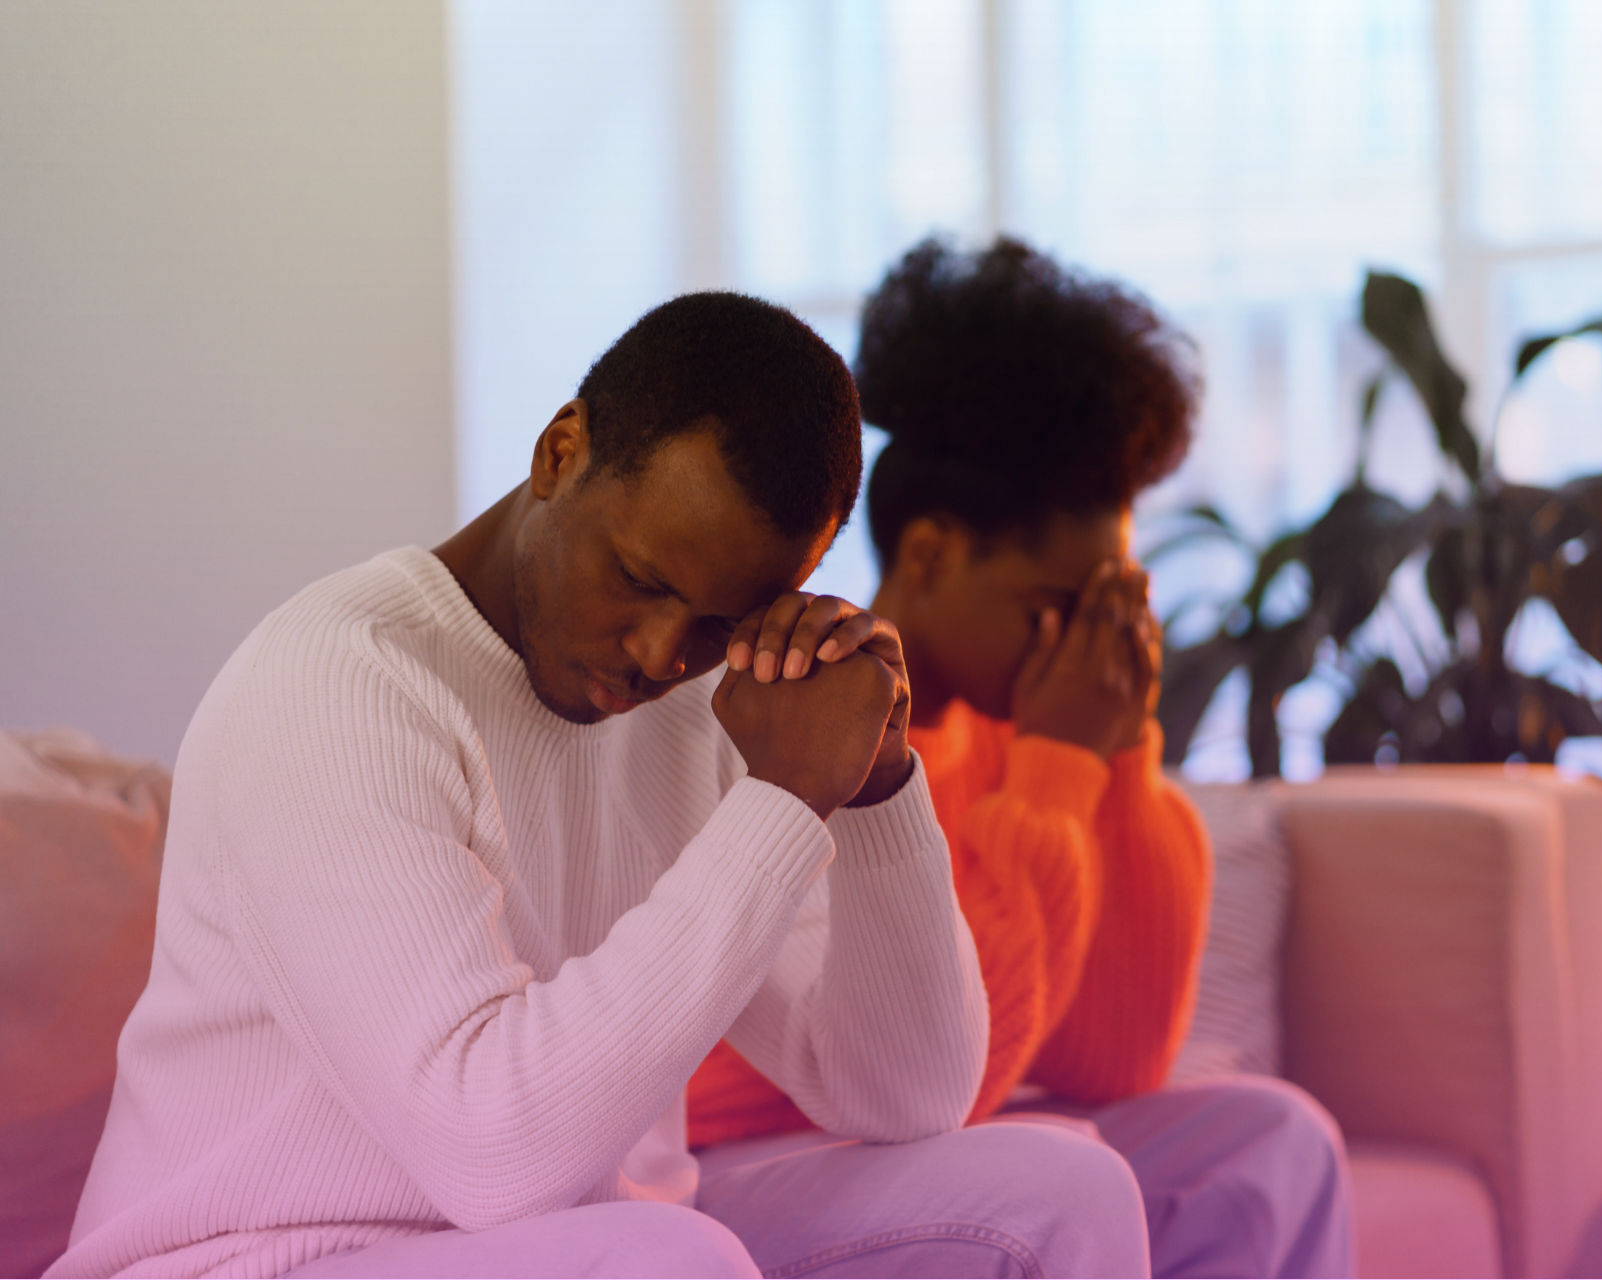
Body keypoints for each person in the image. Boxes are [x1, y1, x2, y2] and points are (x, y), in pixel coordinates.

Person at [50, 293, 1152, 1279]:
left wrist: (875, 784)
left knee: (1060, 1189)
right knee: (663, 1257)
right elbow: (492, 1153)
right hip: (263, 1253)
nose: (663, 652)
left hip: (597, 1241)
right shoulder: (340, 683)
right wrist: (777, 804)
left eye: (719, 620)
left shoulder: (703, 702)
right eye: (638, 576)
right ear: (559, 452)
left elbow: (908, 1092)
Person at [687, 241, 1356, 1279]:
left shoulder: (1035, 736)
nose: (1081, 645)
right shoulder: (790, 714)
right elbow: (948, 1079)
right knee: (1057, 1169)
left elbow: (1115, 1057)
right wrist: (1057, 767)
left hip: (925, 1140)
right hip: (749, 1152)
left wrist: (1116, 750)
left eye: (1108, 606)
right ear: (931, 554)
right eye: (1056, 606)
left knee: (1273, 1141)